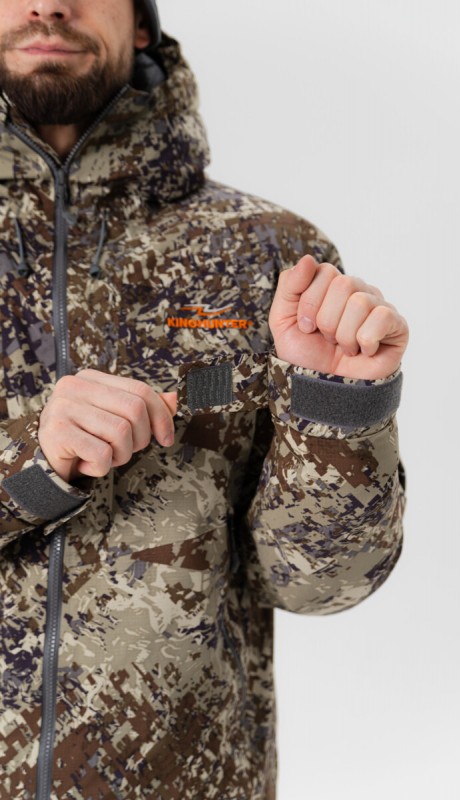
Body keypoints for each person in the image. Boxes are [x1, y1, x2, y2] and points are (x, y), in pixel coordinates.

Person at [0, 1, 409, 798]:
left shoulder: (269, 255)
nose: (48, 4)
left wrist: (340, 409)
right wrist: (32, 463)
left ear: (140, 22)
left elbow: (322, 583)